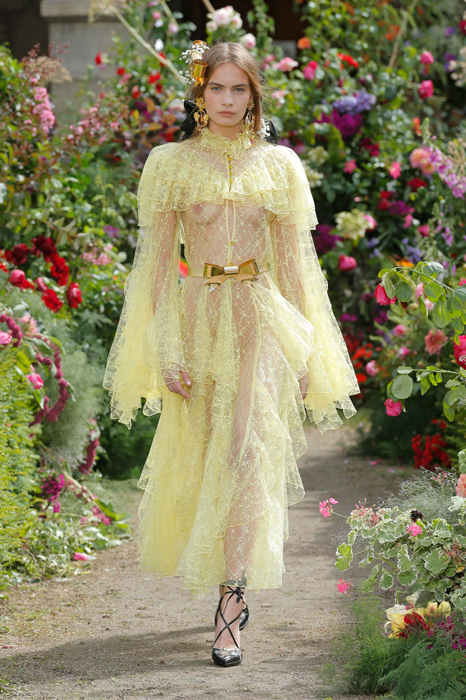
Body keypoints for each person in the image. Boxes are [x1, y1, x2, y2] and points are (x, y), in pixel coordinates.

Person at [103, 41, 359, 668]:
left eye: (238, 88)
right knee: (205, 455)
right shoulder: (170, 164)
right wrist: (164, 349)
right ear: (200, 93)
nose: (226, 99)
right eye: (216, 87)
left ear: (253, 95)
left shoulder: (279, 165)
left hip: (257, 317)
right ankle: (224, 579)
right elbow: (155, 268)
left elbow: (296, 266)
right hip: (195, 317)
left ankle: (232, 602)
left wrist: (308, 351)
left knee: (245, 450)